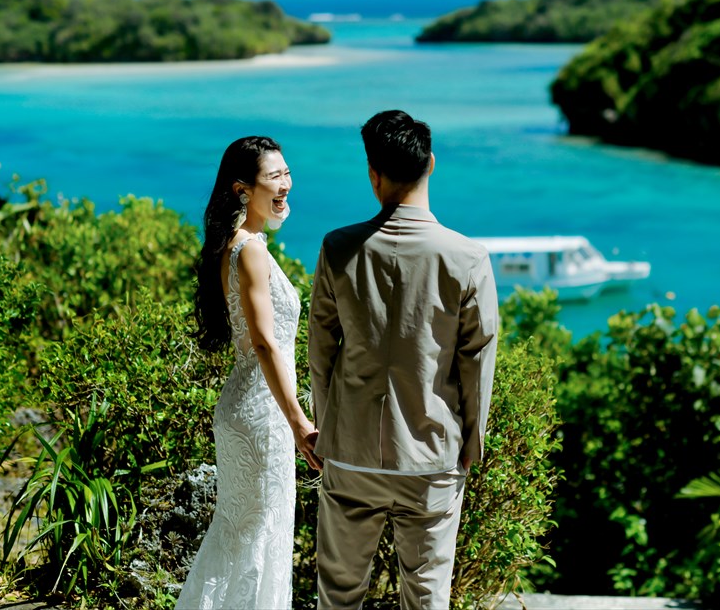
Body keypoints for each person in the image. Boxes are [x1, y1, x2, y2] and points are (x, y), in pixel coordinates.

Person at [309, 110, 499, 609]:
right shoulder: (467, 258)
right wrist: (470, 445)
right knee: (427, 597)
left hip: (350, 453)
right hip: (431, 454)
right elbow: (477, 361)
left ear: (373, 175)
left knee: (339, 596)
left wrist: (328, 434)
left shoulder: (337, 248)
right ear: (430, 164)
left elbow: (322, 353)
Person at [176, 136, 322, 610]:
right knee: (261, 536)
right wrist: (300, 422)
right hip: (262, 416)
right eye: (274, 177)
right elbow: (263, 343)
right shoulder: (250, 251)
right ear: (243, 190)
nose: (286, 185)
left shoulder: (235, 246)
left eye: (286, 173)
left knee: (241, 535)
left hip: (247, 408)